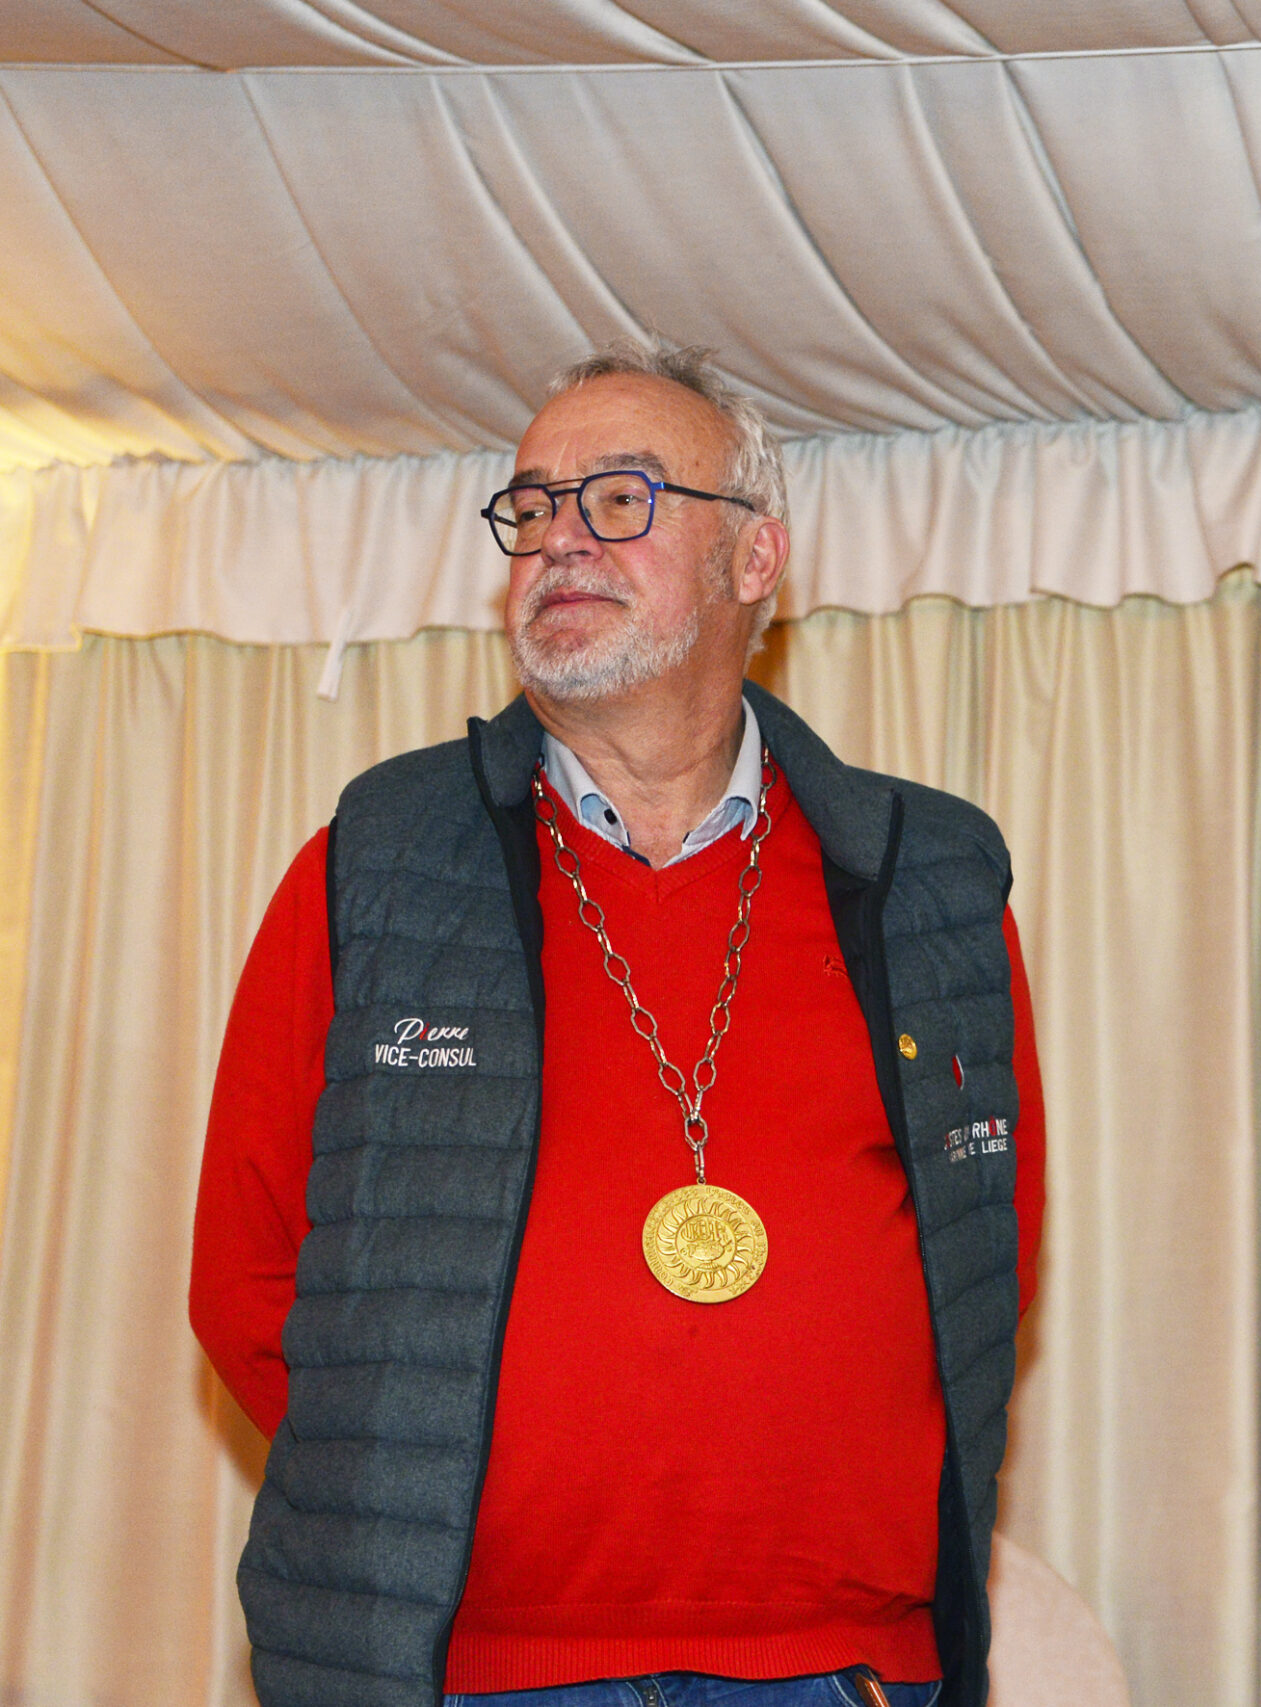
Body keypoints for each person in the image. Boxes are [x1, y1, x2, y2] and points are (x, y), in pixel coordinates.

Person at [190, 341, 1044, 1707]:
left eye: (621, 498)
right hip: (463, 1675)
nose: (560, 539)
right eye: (532, 505)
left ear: (754, 559)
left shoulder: (927, 876)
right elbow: (244, 1273)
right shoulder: (375, 863)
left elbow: (984, 1255)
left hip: (834, 1673)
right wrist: (429, 1477)